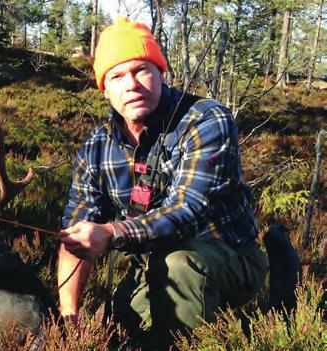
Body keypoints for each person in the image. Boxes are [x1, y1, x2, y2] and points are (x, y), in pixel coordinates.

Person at [58, 17, 267, 350]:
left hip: (230, 256)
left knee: (178, 265)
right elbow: (75, 234)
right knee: (115, 333)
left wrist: (112, 233)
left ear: (160, 72)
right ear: (104, 88)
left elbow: (188, 211)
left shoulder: (205, 119)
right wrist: (69, 317)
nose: (132, 85)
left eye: (142, 70)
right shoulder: (97, 146)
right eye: (116, 76)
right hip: (152, 265)